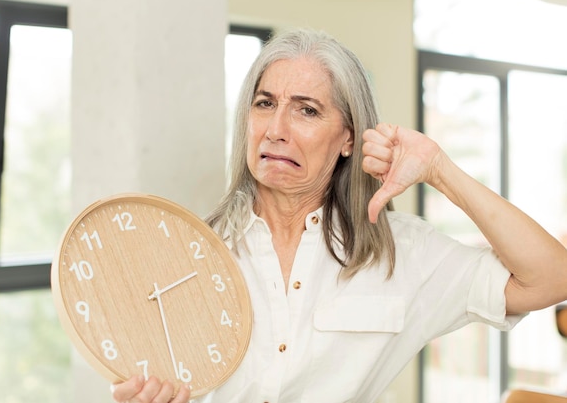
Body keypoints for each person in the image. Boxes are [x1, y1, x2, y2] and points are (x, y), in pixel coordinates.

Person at [111, 29, 567, 403]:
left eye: (306, 110)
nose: (276, 130)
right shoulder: (191, 252)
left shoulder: (402, 253)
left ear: (349, 138)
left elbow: (551, 278)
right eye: (265, 103)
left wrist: (439, 171)